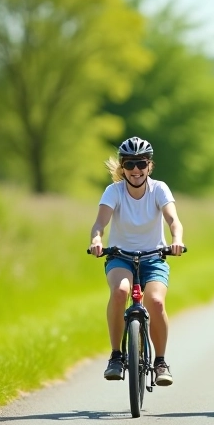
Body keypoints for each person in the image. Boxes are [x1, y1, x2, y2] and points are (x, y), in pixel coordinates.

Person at [88, 136, 185, 386]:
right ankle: (117, 356)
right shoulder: (114, 191)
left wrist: (176, 239)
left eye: (141, 164)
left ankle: (161, 362)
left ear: (149, 165)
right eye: (129, 164)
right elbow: (100, 224)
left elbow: (173, 219)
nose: (135, 170)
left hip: (154, 258)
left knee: (155, 301)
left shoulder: (159, 189)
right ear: (122, 167)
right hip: (120, 257)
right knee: (120, 292)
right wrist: (97, 241)